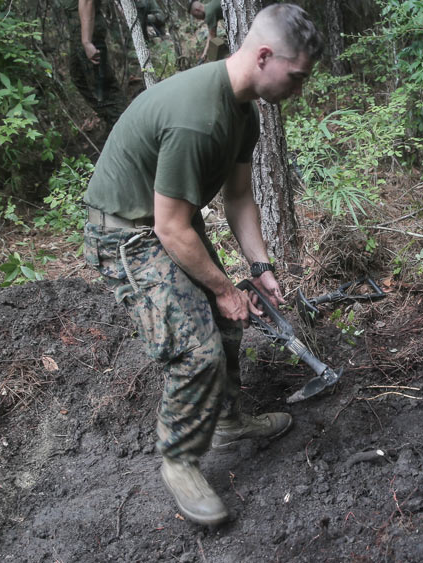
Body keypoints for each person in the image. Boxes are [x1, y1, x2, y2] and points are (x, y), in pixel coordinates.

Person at [82, 4, 323, 525]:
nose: (299, 89)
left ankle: (226, 421)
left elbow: (238, 198)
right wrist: (222, 288)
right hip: (124, 232)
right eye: (297, 76)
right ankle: (180, 458)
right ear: (264, 56)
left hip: (165, 224)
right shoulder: (199, 116)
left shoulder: (244, 112)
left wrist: (258, 267)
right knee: (196, 349)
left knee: (231, 321)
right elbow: (170, 229)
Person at [67, 0, 128, 133]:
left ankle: (126, 130)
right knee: (79, 77)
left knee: (104, 90)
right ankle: (114, 124)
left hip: (87, 30)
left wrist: (86, 41)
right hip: (80, 29)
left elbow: (87, 2)